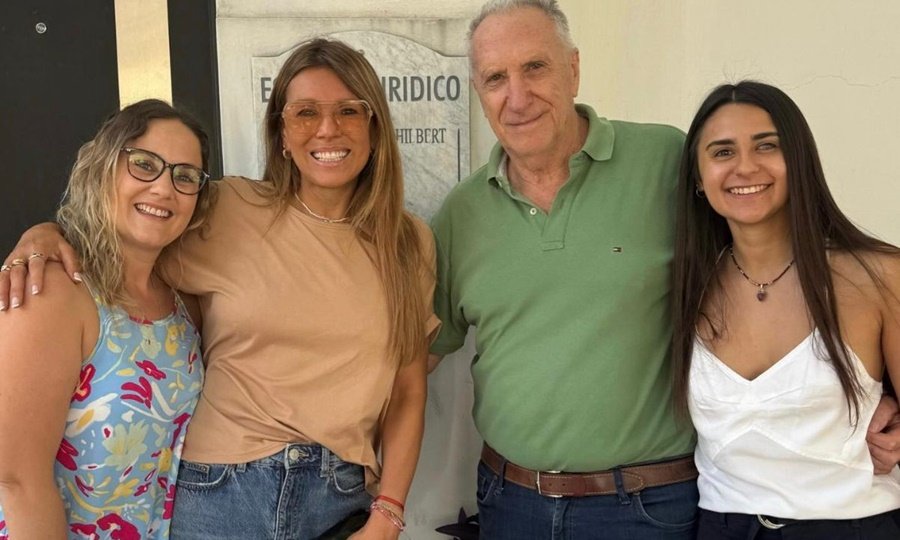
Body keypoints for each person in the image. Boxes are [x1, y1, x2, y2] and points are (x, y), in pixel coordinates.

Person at [427, 1, 900, 538]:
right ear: (478, 90)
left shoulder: (666, 161)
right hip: (511, 503)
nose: (517, 96)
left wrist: (868, 394)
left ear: (574, 69)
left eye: (535, 67)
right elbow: (414, 353)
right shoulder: (461, 214)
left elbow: (770, 243)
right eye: (495, 78)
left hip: (649, 507)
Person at [1, 38, 439, 540]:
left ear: (375, 127)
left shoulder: (409, 243)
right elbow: (132, 237)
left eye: (348, 111)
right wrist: (49, 233)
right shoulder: (228, 209)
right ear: (280, 133)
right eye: (305, 113)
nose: (327, 129)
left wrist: (389, 513)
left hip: (337, 498)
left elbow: (408, 389)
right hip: (217, 491)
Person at [672, 80, 900, 539]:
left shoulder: (878, 276)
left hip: (853, 526)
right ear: (698, 178)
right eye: (722, 152)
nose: (745, 166)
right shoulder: (683, 286)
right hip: (720, 526)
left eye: (767, 146)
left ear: (799, 160)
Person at [0, 99, 211, 538]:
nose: (164, 188)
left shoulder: (183, 310)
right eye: (144, 164)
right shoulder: (55, 294)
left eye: (185, 176)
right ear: (103, 169)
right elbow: (16, 480)